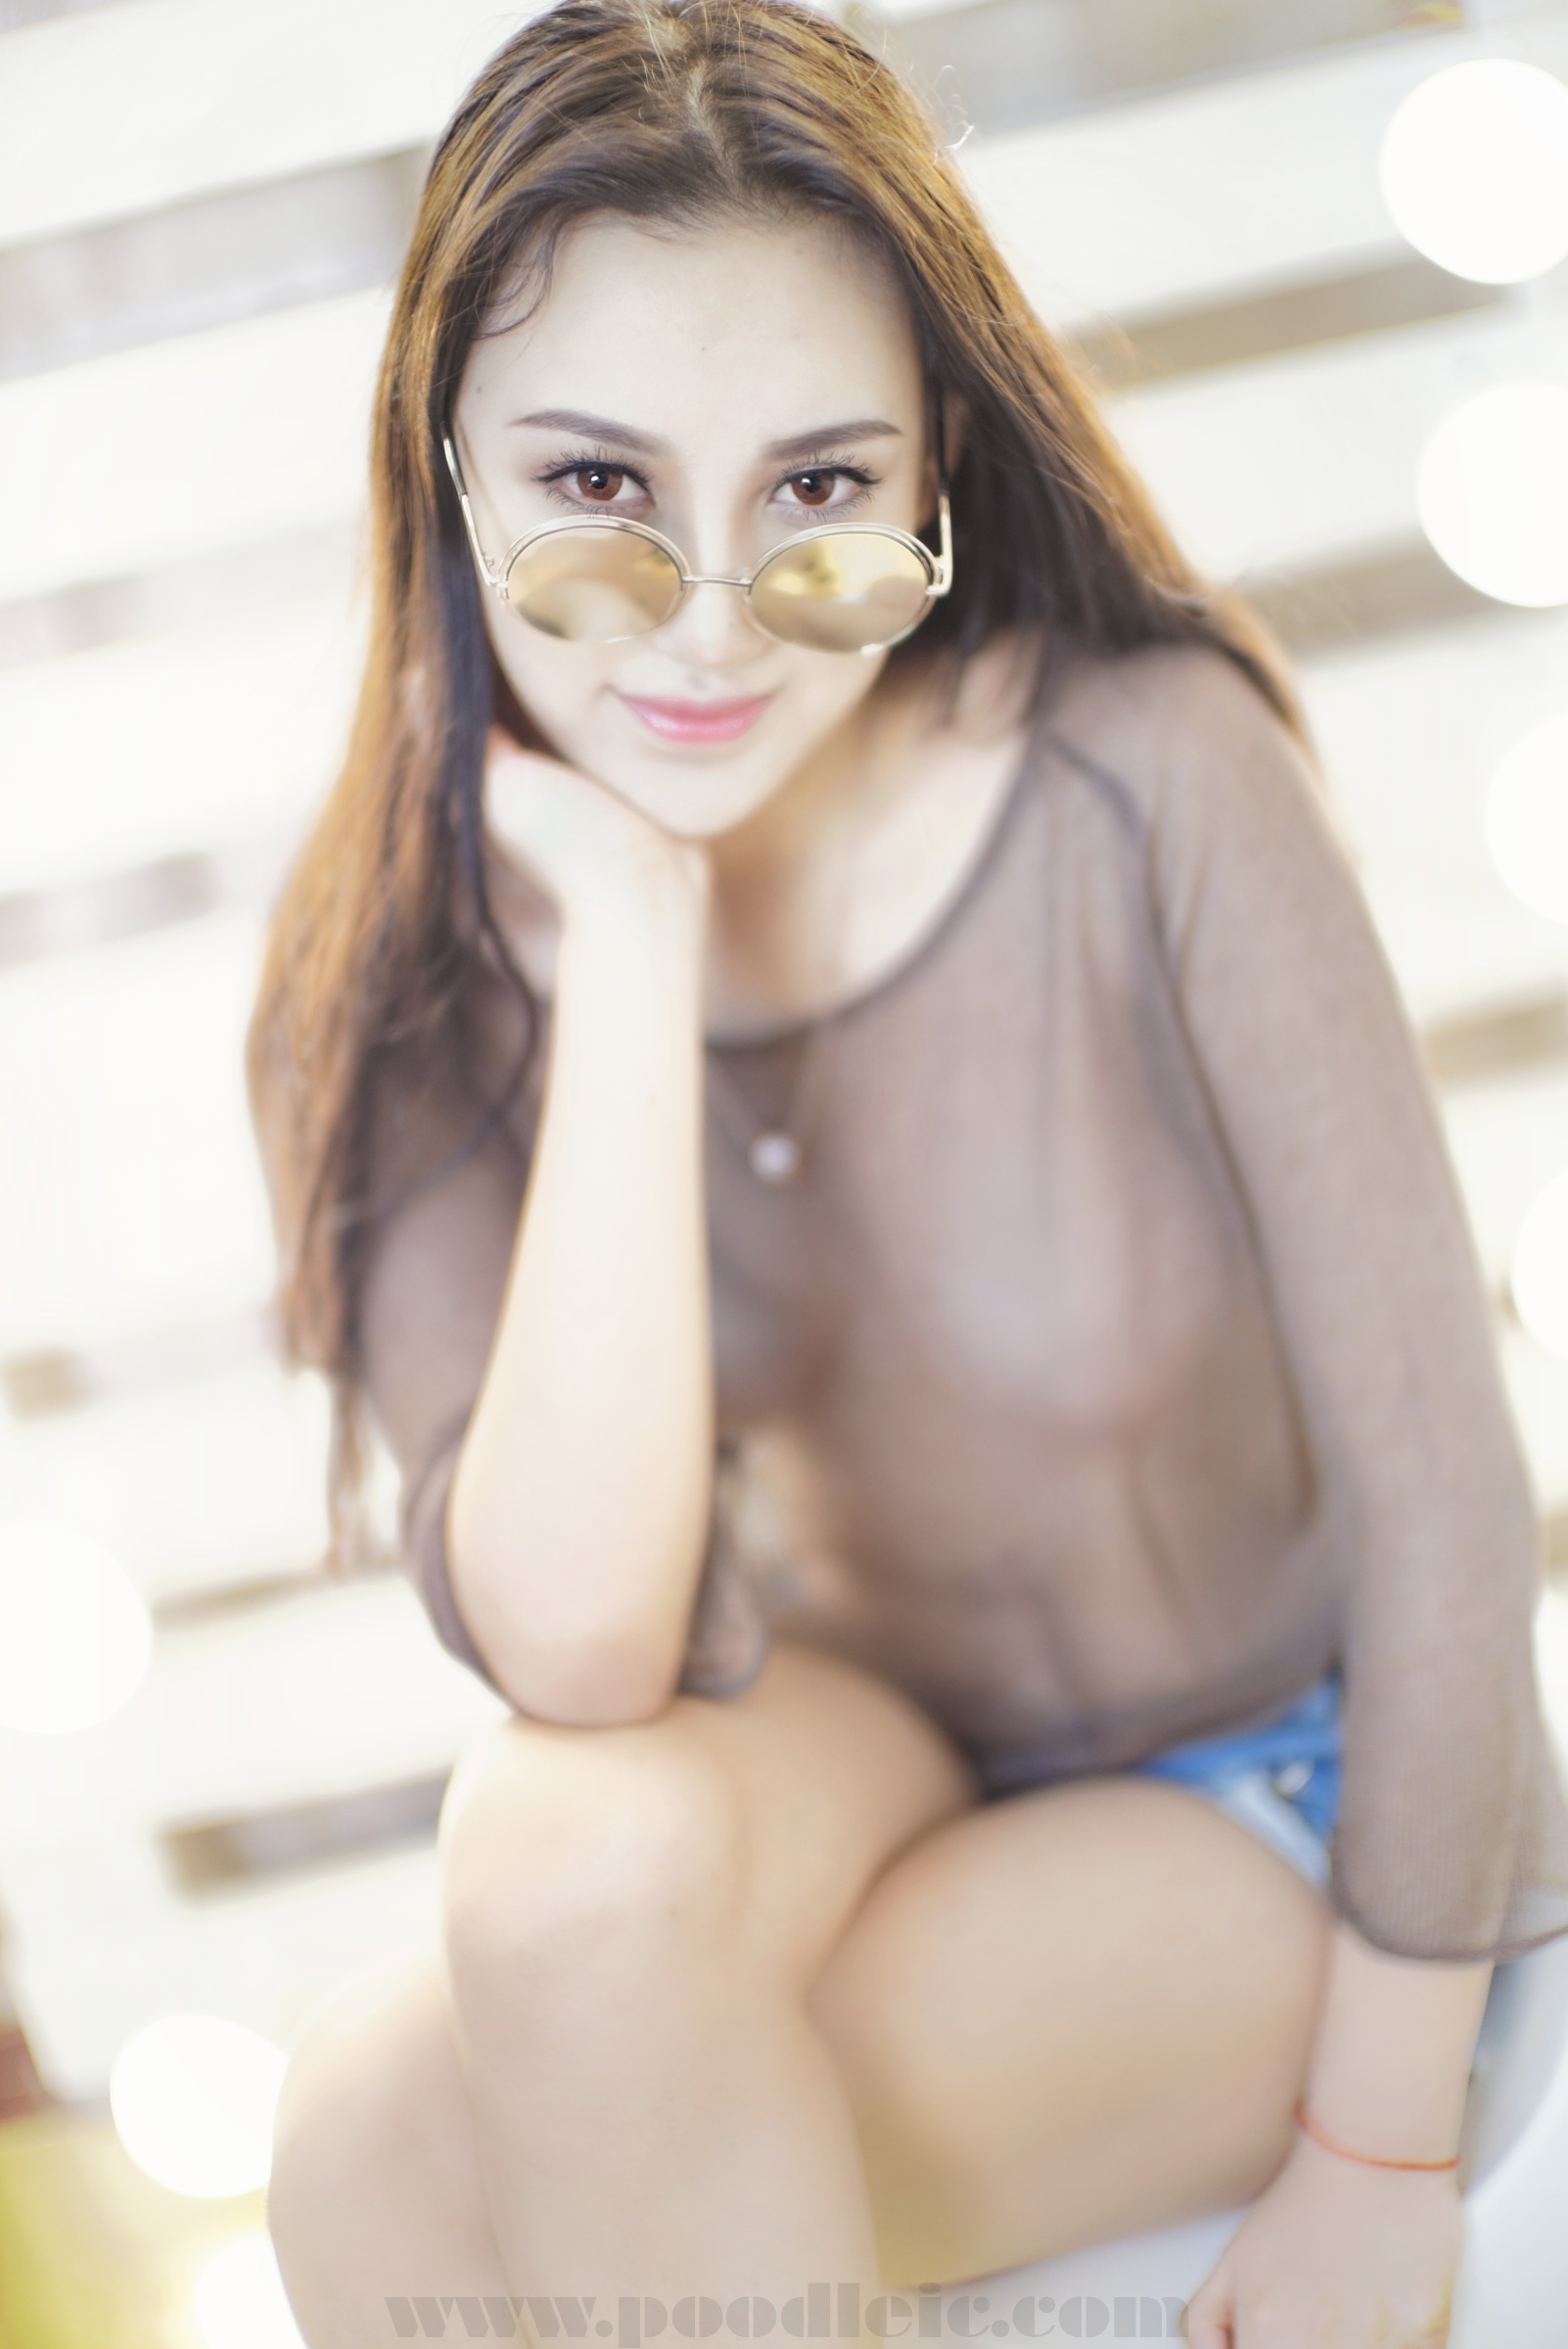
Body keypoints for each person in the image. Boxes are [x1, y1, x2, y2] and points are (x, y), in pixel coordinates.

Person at [247, 5, 1568, 2344]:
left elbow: (1450, 1502)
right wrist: (635, 935)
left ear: (937, 465)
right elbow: (582, 1647)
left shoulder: (1149, 782)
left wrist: (1381, 2142)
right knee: (476, 1965)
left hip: (1268, 1770)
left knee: (486, 2141)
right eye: (596, 484)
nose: (711, 614)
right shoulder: (422, 963)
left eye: (818, 492)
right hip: (878, 1765)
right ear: (446, 468)